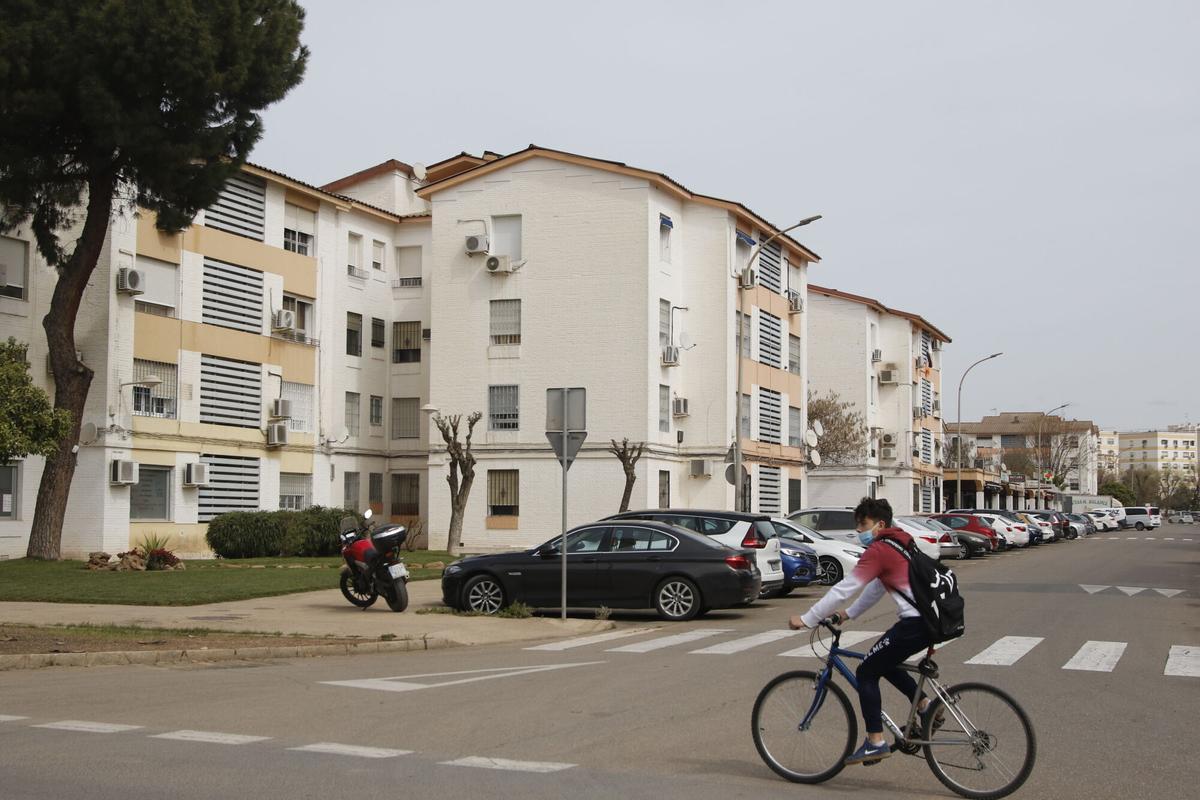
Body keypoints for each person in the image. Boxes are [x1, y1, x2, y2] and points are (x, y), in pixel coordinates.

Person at [788, 497, 941, 765]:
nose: (859, 531)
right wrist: (849, 614)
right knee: (882, 659)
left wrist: (808, 618)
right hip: (931, 619)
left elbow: (843, 589)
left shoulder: (880, 549)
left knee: (866, 671)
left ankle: (875, 741)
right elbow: (878, 586)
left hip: (916, 623)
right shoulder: (901, 541)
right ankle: (926, 707)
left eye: (864, 524)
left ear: (880, 524)